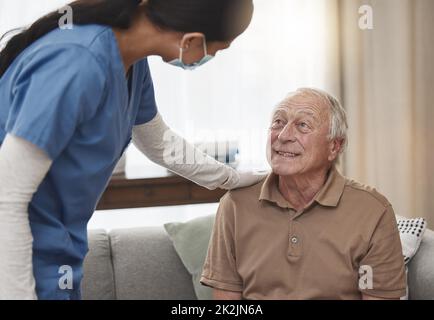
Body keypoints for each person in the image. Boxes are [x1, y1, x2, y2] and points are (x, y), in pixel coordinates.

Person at [0, 0, 261, 300]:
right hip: (14, 256)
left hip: (57, 253)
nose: (212, 56)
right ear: (192, 39)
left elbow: (159, 142)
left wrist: (232, 178)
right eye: (217, 49)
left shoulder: (131, 62)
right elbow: (6, 196)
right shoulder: (78, 62)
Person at [200, 88, 407, 300]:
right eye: (278, 122)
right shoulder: (235, 204)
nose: (283, 135)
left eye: (303, 125)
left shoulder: (372, 212)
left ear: (334, 146)